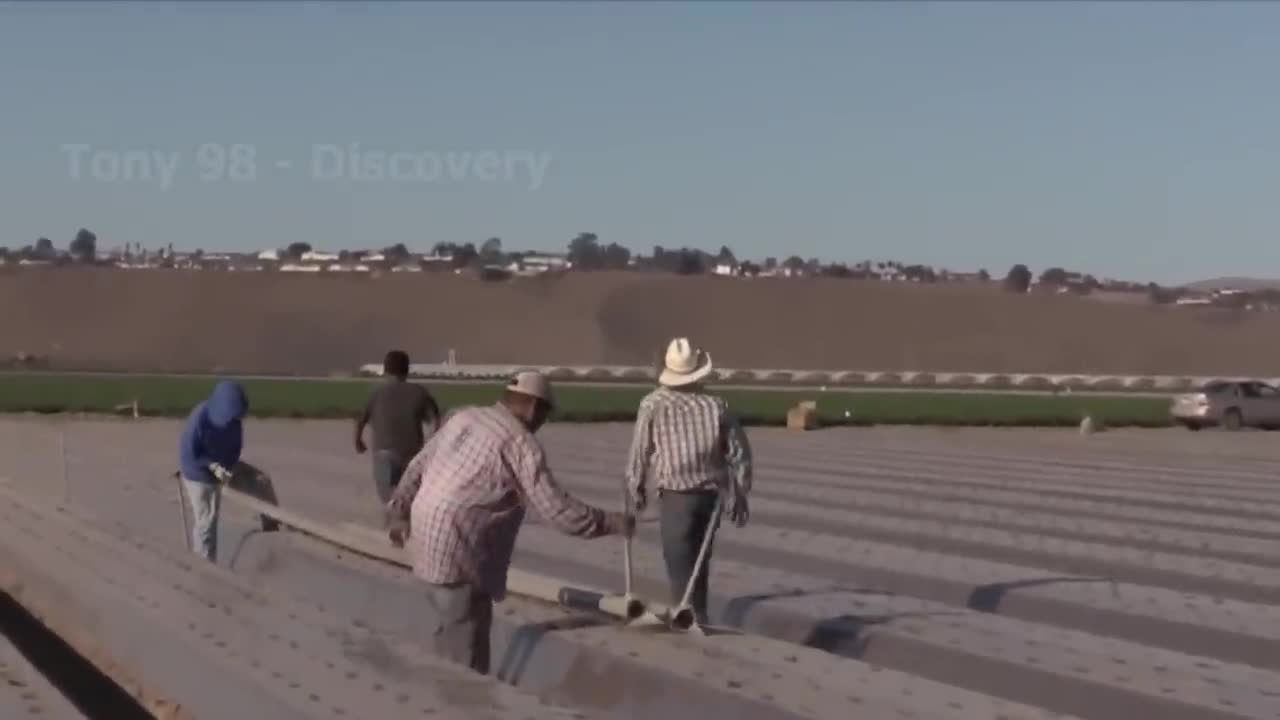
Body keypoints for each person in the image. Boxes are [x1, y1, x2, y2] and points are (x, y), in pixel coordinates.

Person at [385, 370, 633, 674]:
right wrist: (610, 522)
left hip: (425, 534)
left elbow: (416, 467)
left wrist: (397, 512)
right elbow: (557, 511)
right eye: (545, 413)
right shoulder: (519, 442)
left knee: (448, 622)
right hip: (458, 546)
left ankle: (442, 683)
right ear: (534, 407)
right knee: (466, 643)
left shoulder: (466, 417)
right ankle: (461, 700)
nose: (542, 422)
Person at [625, 337, 752, 627]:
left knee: (679, 560)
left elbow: (640, 450)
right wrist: (740, 491)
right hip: (711, 494)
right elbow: (738, 452)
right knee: (699, 559)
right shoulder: (716, 405)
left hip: (675, 493)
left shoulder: (652, 404)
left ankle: (686, 617)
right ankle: (698, 614)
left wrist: (636, 487)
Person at [355, 350, 441, 508]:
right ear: (407, 370)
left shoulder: (376, 393)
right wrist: (433, 442)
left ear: (386, 369)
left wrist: (358, 441)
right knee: (412, 493)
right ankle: (408, 521)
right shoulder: (419, 392)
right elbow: (435, 418)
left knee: (388, 495)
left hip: (384, 452)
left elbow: (362, 419)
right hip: (413, 453)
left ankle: (396, 522)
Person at [178, 380, 250, 562]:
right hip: (197, 473)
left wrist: (228, 467)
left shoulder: (234, 423)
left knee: (211, 521)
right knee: (205, 522)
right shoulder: (199, 419)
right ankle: (202, 562)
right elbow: (190, 452)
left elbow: (235, 448)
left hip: (218, 472)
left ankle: (209, 559)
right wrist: (211, 465)